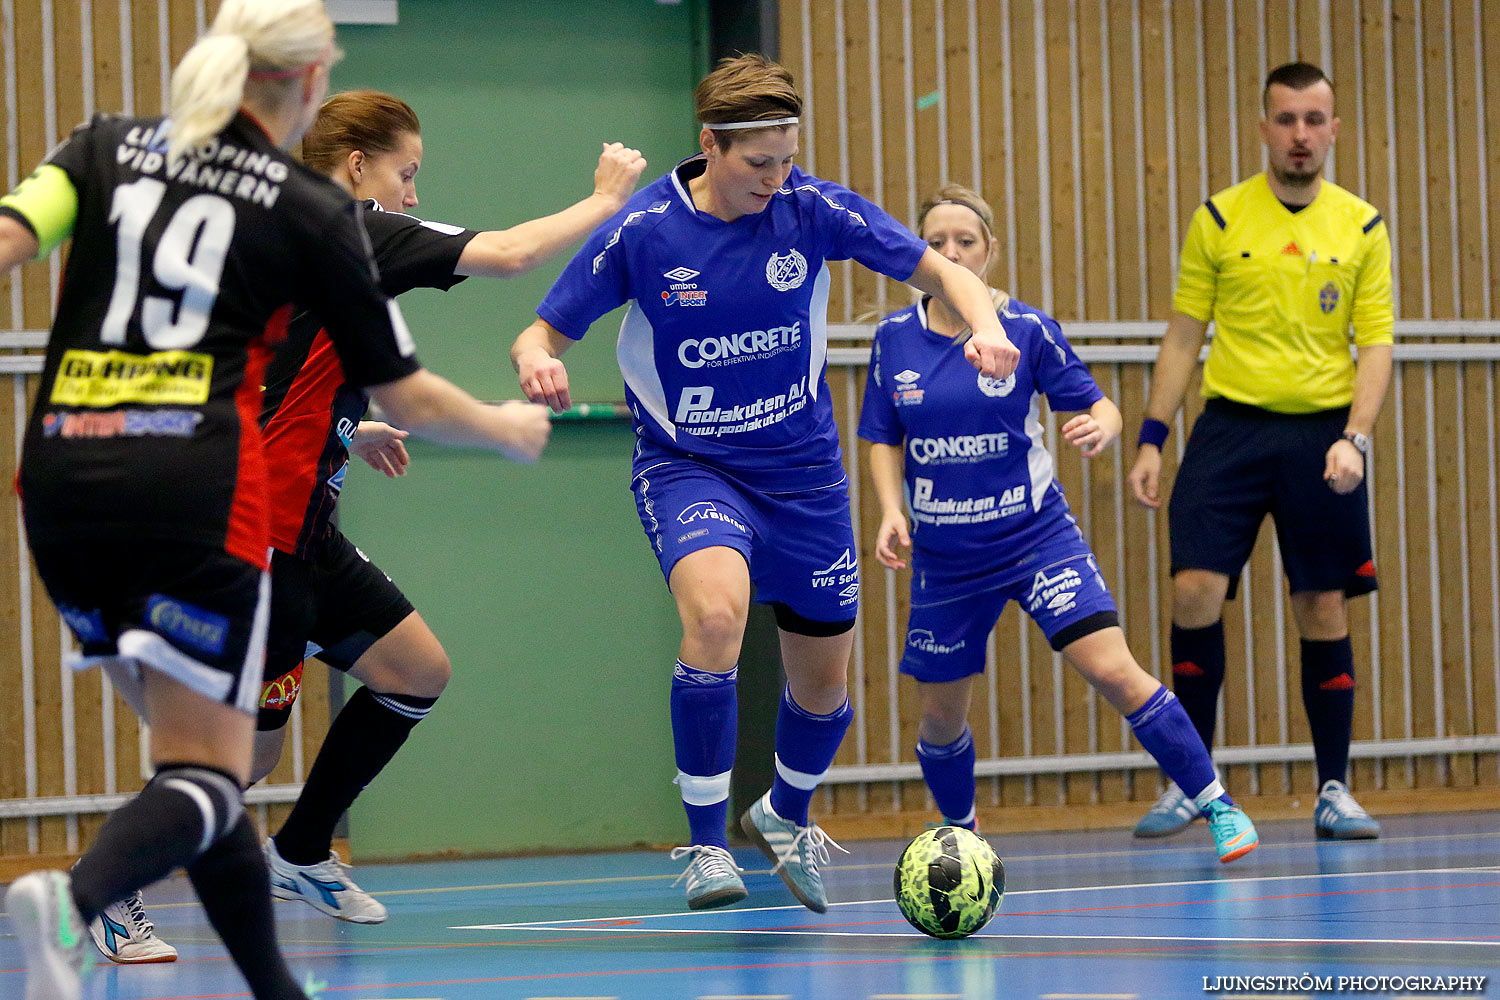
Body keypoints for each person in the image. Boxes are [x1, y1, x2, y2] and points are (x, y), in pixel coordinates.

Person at [0, 4, 550, 998]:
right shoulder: (308, 209)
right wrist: (508, 429)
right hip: (193, 493)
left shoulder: (101, 146)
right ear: (305, 87)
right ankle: (73, 902)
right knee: (208, 775)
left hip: (60, 483)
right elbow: (409, 391)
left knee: (201, 774)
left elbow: (9, 237)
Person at [82, 89, 645, 961]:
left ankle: (301, 849)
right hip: (256, 542)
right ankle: (113, 892)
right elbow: (503, 253)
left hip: (308, 527)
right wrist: (605, 201)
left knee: (416, 669)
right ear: (358, 169)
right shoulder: (348, 226)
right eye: (406, 173)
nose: (412, 194)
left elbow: (281, 362)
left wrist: (352, 424)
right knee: (240, 761)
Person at [511, 54, 1020, 913]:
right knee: (716, 616)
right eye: (759, 162)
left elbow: (943, 272)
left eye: (788, 156)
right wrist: (536, 365)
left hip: (805, 475)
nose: (777, 177)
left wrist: (986, 327)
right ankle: (708, 848)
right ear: (710, 145)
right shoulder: (644, 232)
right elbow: (540, 332)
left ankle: (785, 814)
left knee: (824, 687)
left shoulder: (813, 210)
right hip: (690, 465)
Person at [857, 185, 1259, 864]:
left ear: (990, 252)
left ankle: (1216, 803)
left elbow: (1103, 408)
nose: (952, 253)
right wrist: (892, 510)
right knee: (939, 717)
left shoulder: (1026, 330)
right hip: (947, 557)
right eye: (938, 242)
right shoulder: (894, 340)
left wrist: (1097, 430)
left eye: (966, 241)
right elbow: (880, 437)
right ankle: (964, 834)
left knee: (1115, 670)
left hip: (1034, 538)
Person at [1126, 62, 1393, 841]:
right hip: (1230, 430)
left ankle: (1334, 787)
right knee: (1193, 591)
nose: (1301, 135)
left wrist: (1356, 437)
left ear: (1334, 129)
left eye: (1315, 120)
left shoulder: (1362, 226)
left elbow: (1375, 346)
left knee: (1321, 604)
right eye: (1287, 119)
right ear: (1264, 125)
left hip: (1321, 435)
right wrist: (1152, 438)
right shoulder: (1219, 218)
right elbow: (1183, 337)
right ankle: (1192, 781)